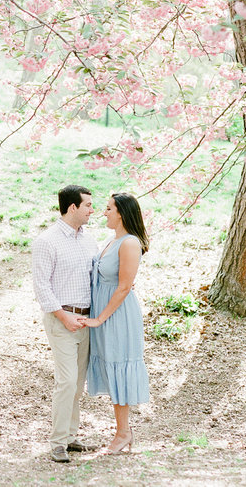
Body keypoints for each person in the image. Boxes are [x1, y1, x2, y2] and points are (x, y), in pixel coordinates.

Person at [31, 184, 100, 463]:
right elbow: (41, 286)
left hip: (85, 319)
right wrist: (63, 316)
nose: (92, 210)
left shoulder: (89, 239)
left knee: (78, 381)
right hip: (61, 319)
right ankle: (57, 442)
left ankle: (71, 437)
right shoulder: (46, 241)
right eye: (87, 206)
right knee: (66, 381)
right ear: (73, 207)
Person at [81, 192, 151, 454]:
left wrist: (100, 317)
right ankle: (123, 432)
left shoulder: (129, 243)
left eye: (108, 208)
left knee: (119, 367)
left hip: (117, 314)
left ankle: (123, 433)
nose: (104, 212)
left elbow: (123, 287)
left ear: (121, 212)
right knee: (110, 367)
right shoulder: (113, 240)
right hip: (105, 311)